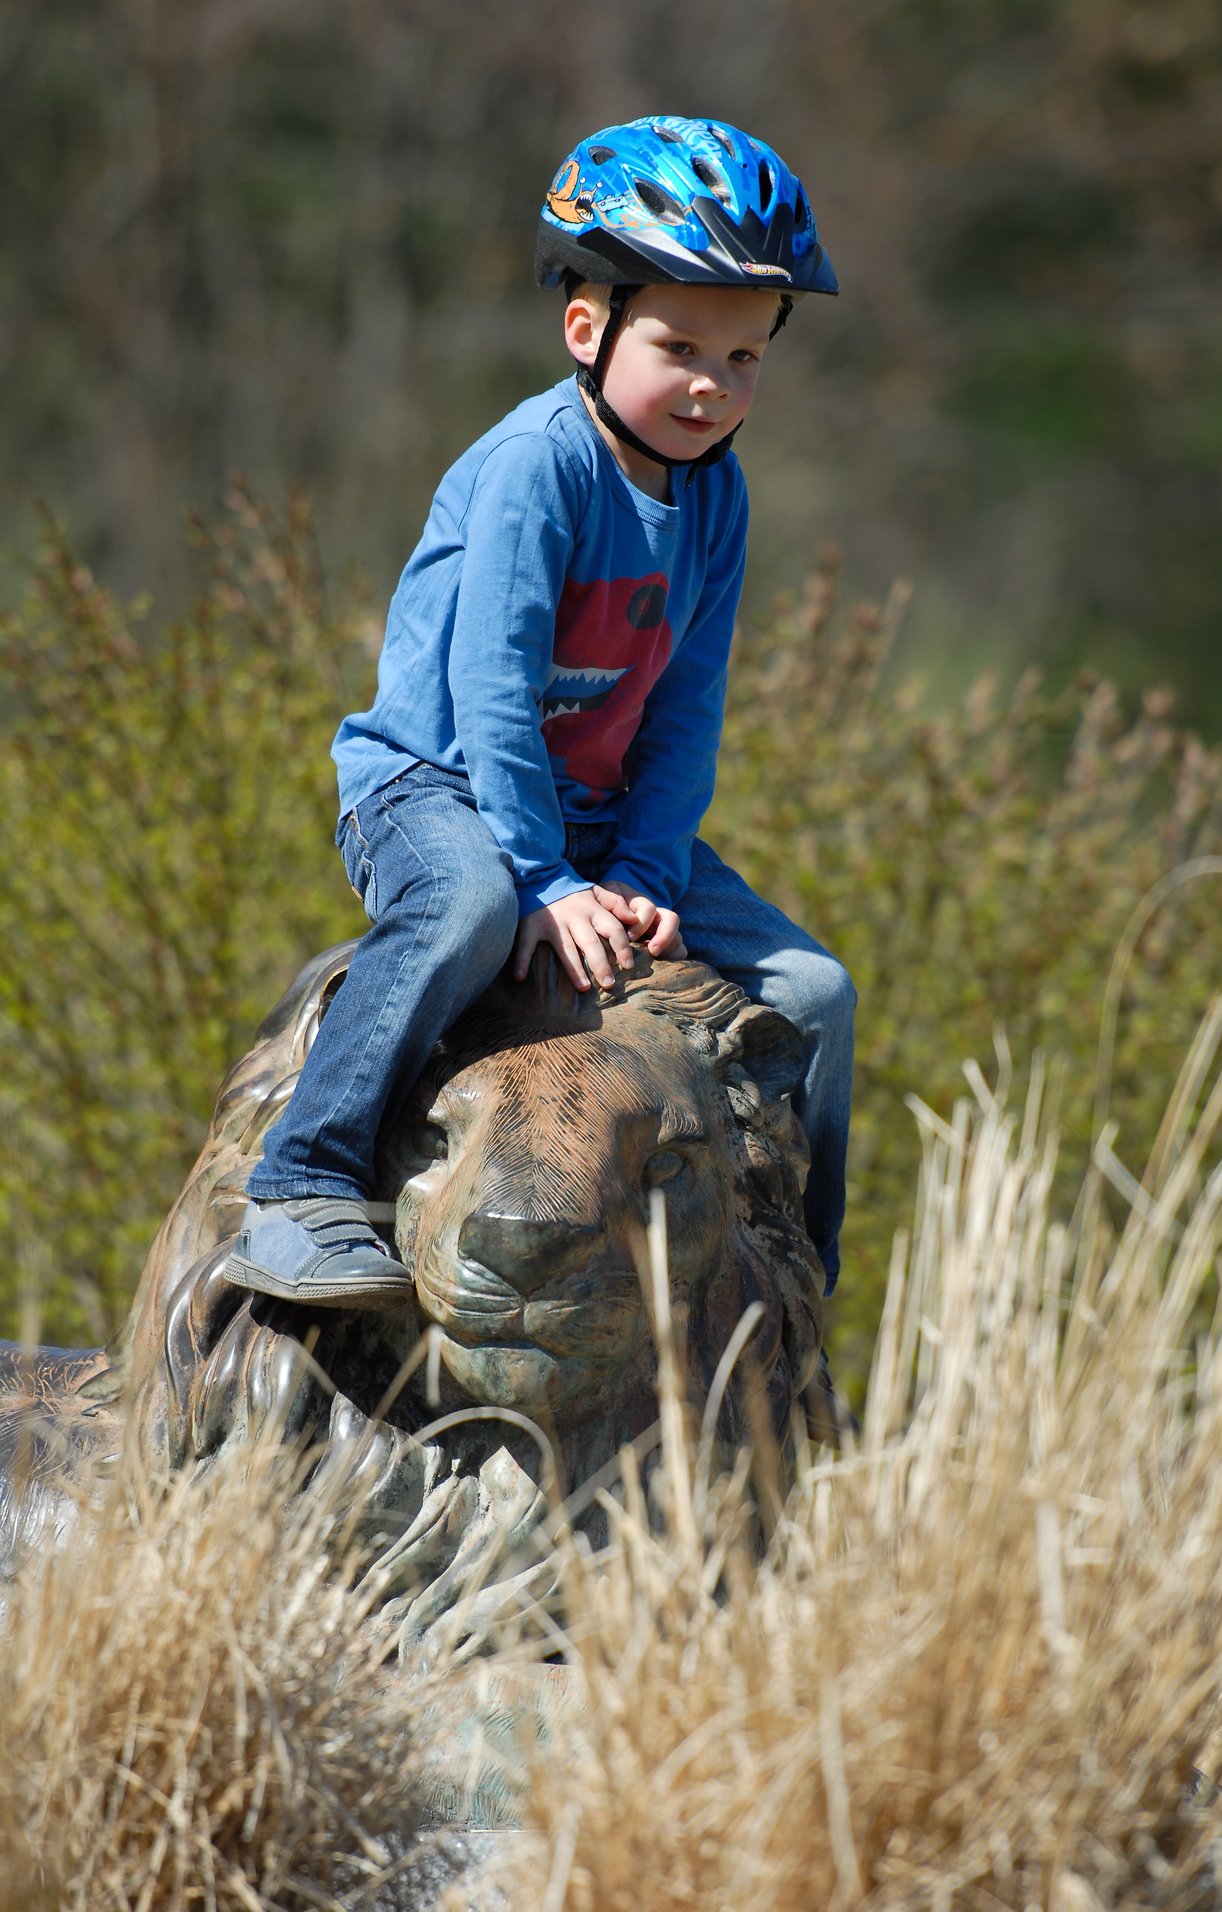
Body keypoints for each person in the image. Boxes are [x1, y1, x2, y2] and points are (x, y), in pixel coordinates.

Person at [225, 115, 856, 1312]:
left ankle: (796, 1280)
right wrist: (541, 879)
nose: (712, 385)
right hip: (438, 788)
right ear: (588, 326)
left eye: (745, 357)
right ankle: (298, 1184)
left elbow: (685, 703)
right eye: (678, 345)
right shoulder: (536, 466)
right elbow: (492, 693)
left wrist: (646, 870)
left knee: (817, 996)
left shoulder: (716, 495)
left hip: (597, 814)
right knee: (463, 907)